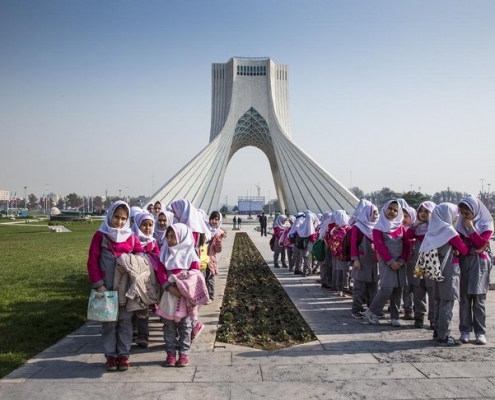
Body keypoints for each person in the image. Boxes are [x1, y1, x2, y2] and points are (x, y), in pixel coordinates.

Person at [86, 201, 144, 371]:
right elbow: (92, 262)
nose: (119, 222)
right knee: (109, 323)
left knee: (126, 322)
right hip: (107, 288)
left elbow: (141, 256)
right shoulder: (101, 236)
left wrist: (128, 262)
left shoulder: (131, 237)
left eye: (123, 218)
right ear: (110, 215)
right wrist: (99, 285)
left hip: (126, 290)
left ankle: (124, 355)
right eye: (116, 217)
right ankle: (111, 356)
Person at [419, 203, 468, 346]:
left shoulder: (432, 230)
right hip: (449, 271)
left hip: (435, 271)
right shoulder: (449, 232)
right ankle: (444, 336)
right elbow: (463, 250)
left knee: (438, 301)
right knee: (447, 302)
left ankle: (437, 331)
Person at [156, 223, 201, 367]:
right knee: (168, 326)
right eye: (167, 236)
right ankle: (170, 354)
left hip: (185, 298)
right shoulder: (164, 253)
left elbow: (196, 275)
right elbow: (160, 272)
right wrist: (168, 286)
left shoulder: (191, 255)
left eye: (173, 237)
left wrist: (184, 289)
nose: (169, 240)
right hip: (169, 296)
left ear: (182, 238)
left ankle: (183, 354)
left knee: (185, 327)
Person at [364, 200, 410, 327]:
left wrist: (401, 260)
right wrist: (390, 262)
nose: (392, 212)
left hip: (400, 262)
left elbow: (407, 244)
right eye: (390, 208)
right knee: (387, 288)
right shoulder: (378, 227)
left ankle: (395, 317)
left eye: (396, 210)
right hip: (387, 262)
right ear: (385, 209)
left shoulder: (400, 227)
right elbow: (379, 246)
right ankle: (372, 311)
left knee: (398, 289)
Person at [456, 195, 493, 345]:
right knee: (464, 299)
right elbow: (460, 246)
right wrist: (470, 247)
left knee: (478, 299)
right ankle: (465, 330)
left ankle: (480, 332)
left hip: (479, 264)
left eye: (468, 213)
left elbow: (480, 243)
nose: (465, 217)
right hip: (464, 263)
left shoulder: (486, 225)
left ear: (475, 212)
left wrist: (471, 228)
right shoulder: (459, 226)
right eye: (462, 213)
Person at [404, 201, 437, 328]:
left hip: (432, 263)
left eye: (426, 211)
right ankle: (419, 316)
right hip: (419, 264)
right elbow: (407, 236)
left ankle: (433, 318)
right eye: (421, 211)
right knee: (418, 289)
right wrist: (415, 225)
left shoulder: (436, 227)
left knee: (432, 290)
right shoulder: (417, 228)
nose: (423, 214)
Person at [131, 211, 160, 348]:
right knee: (133, 307)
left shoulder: (153, 242)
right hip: (134, 281)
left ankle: (143, 336)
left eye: (150, 225)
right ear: (138, 225)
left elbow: (158, 259)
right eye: (144, 225)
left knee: (143, 309)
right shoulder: (131, 240)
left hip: (149, 280)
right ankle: (134, 332)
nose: (147, 228)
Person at [350, 202, 378, 318]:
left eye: (377, 213)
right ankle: (356, 309)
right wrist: (355, 259)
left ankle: (372, 309)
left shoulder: (377, 226)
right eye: (374, 213)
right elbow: (353, 244)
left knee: (374, 287)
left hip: (373, 261)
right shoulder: (358, 227)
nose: (376, 216)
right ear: (368, 213)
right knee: (359, 287)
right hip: (362, 260)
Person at [205, 211, 227, 302]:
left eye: (216, 219)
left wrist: (219, 241)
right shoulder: (204, 229)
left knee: (210, 278)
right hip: (201, 257)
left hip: (210, 258)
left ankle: (210, 296)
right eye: (212, 219)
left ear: (219, 221)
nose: (214, 221)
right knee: (202, 277)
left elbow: (218, 250)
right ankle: (203, 295)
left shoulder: (218, 233)